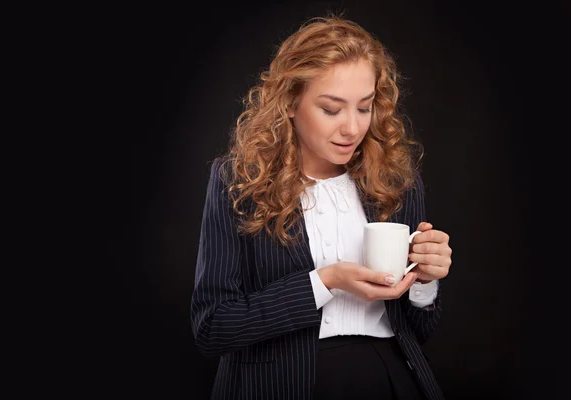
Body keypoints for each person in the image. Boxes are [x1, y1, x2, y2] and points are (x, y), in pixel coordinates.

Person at [190, 13, 452, 400]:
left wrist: (425, 284)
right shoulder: (238, 182)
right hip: (281, 385)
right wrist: (324, 282)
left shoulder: (395, 181)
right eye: (331, 109)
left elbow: (419, 331)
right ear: (290, 103)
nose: (352, 128)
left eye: (364, 107)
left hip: (389, 379)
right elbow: (212, 328)